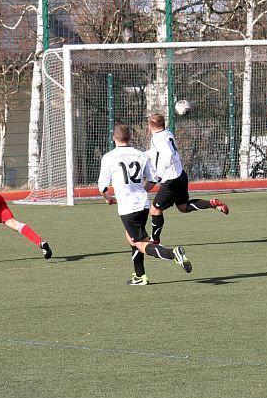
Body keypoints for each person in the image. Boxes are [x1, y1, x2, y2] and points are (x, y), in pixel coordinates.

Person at [97, 123, 192, 286]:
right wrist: (142, 190)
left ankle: (173, 254)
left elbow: (102, 187)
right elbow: (153, 179)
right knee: (132, 237)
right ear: (130, 137)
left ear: (114, 138)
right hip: (143, 204)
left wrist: (108, 198)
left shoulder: (109, 157)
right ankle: (140, 276)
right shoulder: (140, 155)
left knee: (141, 243)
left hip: (128, 207)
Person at [145, 113, 229, 245]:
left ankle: (155, 240)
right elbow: (157, 152)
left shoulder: (157, 138)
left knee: (155, 210)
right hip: (180, 175)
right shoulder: (167, 133)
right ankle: (211, 204)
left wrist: (160, 173)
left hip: (170, 180)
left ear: (150, 126)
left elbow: (168, 153)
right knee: (183, 207)